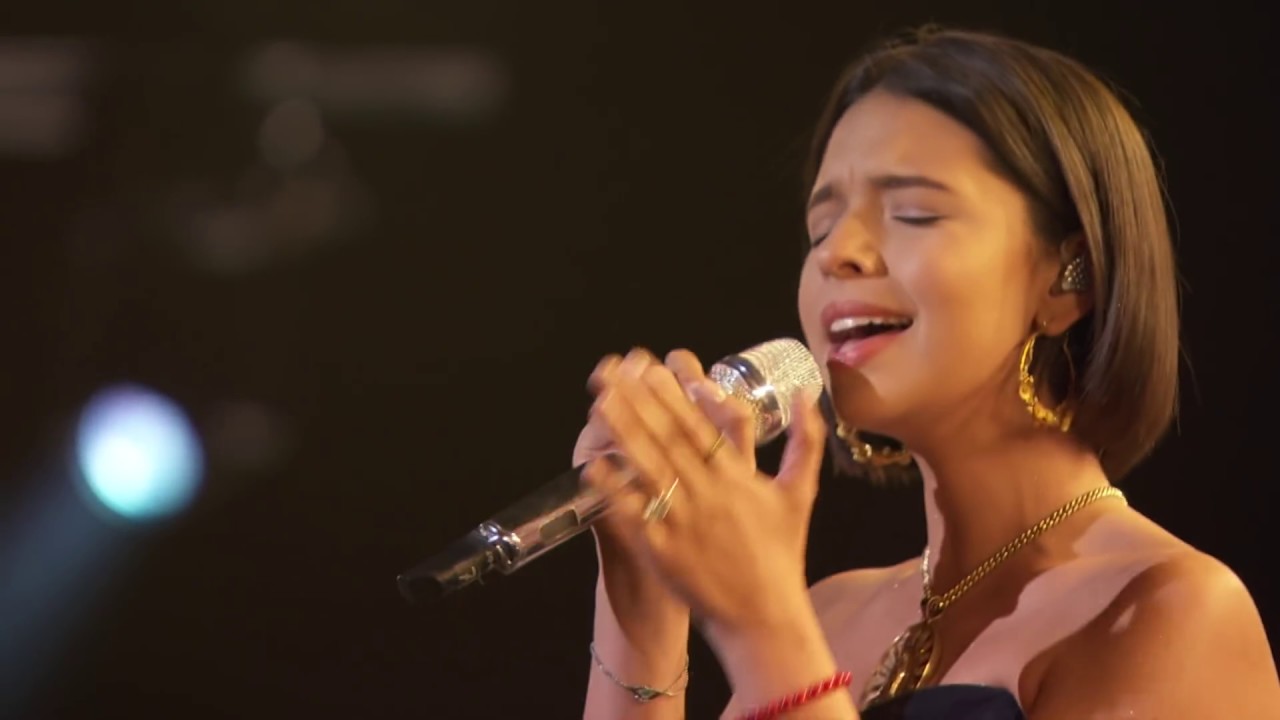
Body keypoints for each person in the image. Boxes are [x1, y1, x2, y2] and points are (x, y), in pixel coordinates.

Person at [573, 26, 1279, 720]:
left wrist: (762, 628)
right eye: (821, 229)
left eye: (912, 214)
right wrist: (640, 612)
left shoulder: (1171, 613)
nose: (836, 254)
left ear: (1070, 279)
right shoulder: (829, 613)